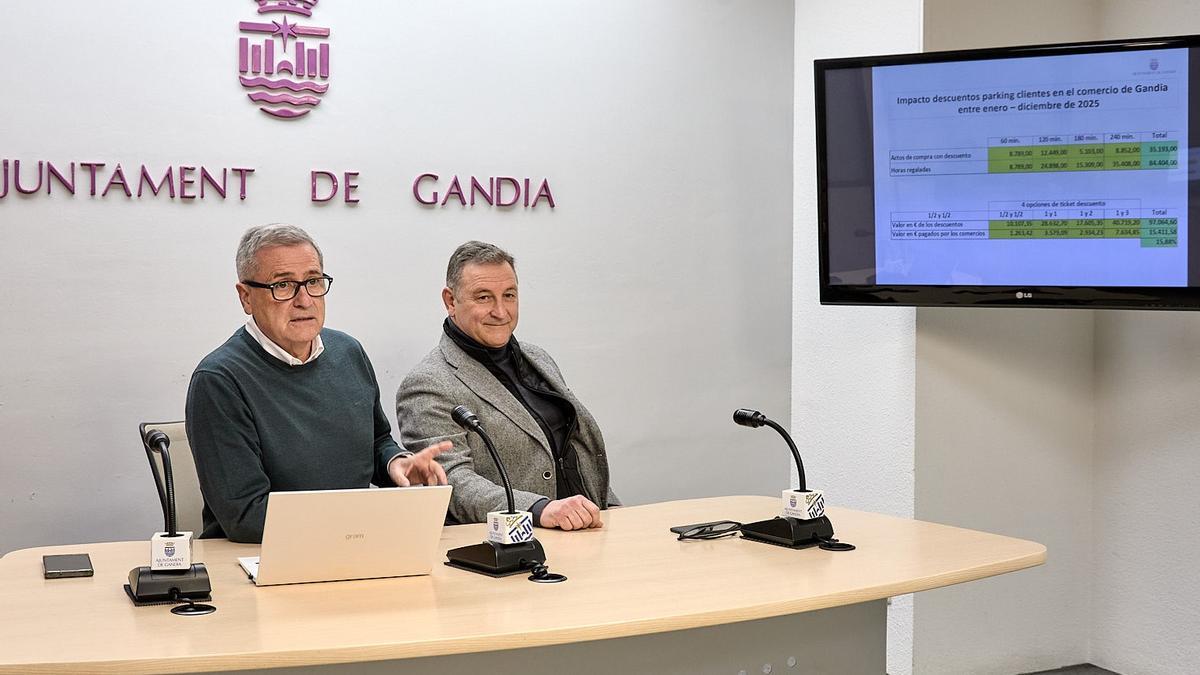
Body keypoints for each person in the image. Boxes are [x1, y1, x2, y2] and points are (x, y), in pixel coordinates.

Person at [185, 223, 448, 542]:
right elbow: (246, 516)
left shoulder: (348, 352)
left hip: (352, 545)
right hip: (260, 559)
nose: (304, 300)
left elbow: (377, 441)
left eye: (312, 281)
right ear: (246, 298)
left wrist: (397, 464)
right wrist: (361, 520)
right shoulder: (219, 380)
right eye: (282, 285)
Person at [396, 241, 618, 530]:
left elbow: (575, 448)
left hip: (589, 526)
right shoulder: (427, 384)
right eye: (484, 297)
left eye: (509, 295)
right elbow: (453, 484)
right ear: (451, 301)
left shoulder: (538, 358)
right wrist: (539, 510)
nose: (501, 311)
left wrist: (611, 508)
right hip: (518, 545)